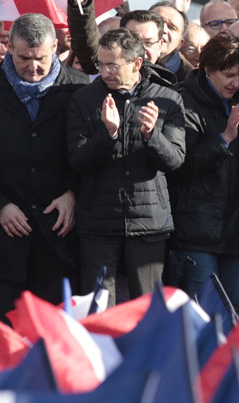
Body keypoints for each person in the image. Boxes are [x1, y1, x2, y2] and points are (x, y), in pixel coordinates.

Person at [67, 29, 186, 305]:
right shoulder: (84, 99)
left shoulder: (166, 98)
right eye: (101, 64)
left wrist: (151, 135)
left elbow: (175, 161)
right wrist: (107, 135)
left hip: (148, 224)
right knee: (98, 311)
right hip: (98, 224)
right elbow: (77, 160)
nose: (105, 72)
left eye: (113, 66)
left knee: (146, 310)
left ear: (136, 64)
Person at [172, 32, 239, 310]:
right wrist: (224, 139)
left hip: (237, 230)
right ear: (207, 69)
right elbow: (181, 164)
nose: (235, 82)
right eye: (228, 74)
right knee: (201, 317)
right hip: (198, 231)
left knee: (232, 316)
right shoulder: (184, 102)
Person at [0, 14, 88, 318]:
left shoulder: (79, 89)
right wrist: (1, 205)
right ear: (9, 47)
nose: (33, 67)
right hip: (5, 241)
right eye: (24, 58)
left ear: (55, 48)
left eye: (41, 58)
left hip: (57, 243)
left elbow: (91, 155)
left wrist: (72, 194)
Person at [150, 1, 192, 84]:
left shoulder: (189, 81)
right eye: (158, 22)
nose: (163, 29)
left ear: (179, 44)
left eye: (172, 28)